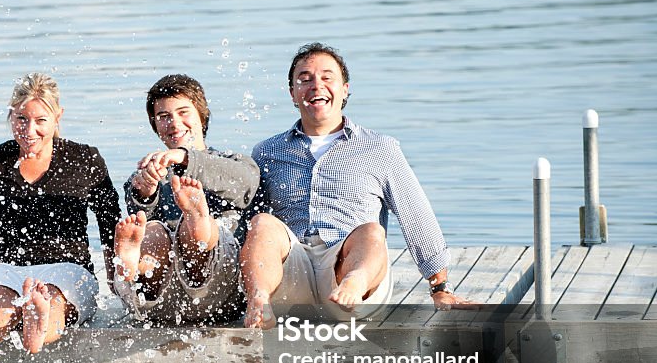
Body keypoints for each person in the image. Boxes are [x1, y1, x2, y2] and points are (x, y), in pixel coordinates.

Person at [241, 42, 473, 328]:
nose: (316, 85)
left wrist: (440, 289)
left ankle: (352, 286)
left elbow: (416, 216)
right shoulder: (267, 152)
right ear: (292, 94)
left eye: (327, 77)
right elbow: (250, 230)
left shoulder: (380, 149)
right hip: (293, 279)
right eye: (305, 79)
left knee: (372, 232)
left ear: (345, 89)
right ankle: (260, 304)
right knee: (262, 223)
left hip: (353, 277)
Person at [0, 73, 121, 354]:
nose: (29, 130)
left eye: (40, 121)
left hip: (67, 267)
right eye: (21, 119)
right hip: (4, 268)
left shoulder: (84, 159)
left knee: (55, 303)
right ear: (11, 116)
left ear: (58, 116)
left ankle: (37, 323)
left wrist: (113, 279)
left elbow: (109, 220)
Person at [113, 74, 259, 324]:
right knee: (154, 231)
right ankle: (135, 266)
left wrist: (184, 158)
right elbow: (139, 219)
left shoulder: (234, 163)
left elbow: (246, 185)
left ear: (201, 116)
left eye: (183, 112)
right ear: (155, 125)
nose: (174, 123)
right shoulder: (146, 173)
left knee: (195, 229)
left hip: (220, 289)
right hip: (161, 295)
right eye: (164, 117)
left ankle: (198, 221)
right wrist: (145, 192)